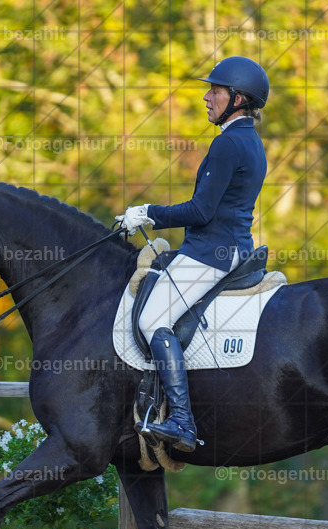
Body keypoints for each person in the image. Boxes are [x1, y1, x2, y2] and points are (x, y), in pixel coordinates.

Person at [117, 56, 269, 452]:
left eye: (215, 91)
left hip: (210, 254)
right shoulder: (251, 142)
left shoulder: (227, 144)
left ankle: (182, 420)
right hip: (233, 248)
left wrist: (147, 213)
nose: (207, 97)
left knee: (152, 320)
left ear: (237, 98)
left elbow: (201, 211)